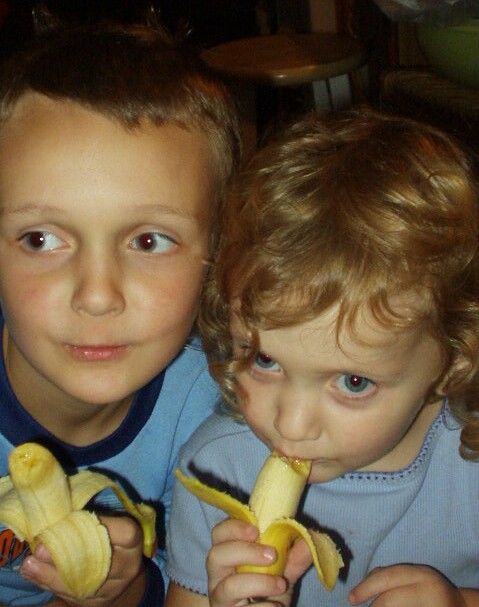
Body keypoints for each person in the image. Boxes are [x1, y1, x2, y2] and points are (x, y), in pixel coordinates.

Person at [166, 109, 479, 606]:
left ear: (453, 361)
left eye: (353, 382)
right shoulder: (215, 471)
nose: (290, 425)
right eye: (264, 360)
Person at [0, 14, 240, 607]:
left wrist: (128, 588)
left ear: (219, 254)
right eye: (40, 239)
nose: (98, 295)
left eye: (149, 241)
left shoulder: (219, 424)